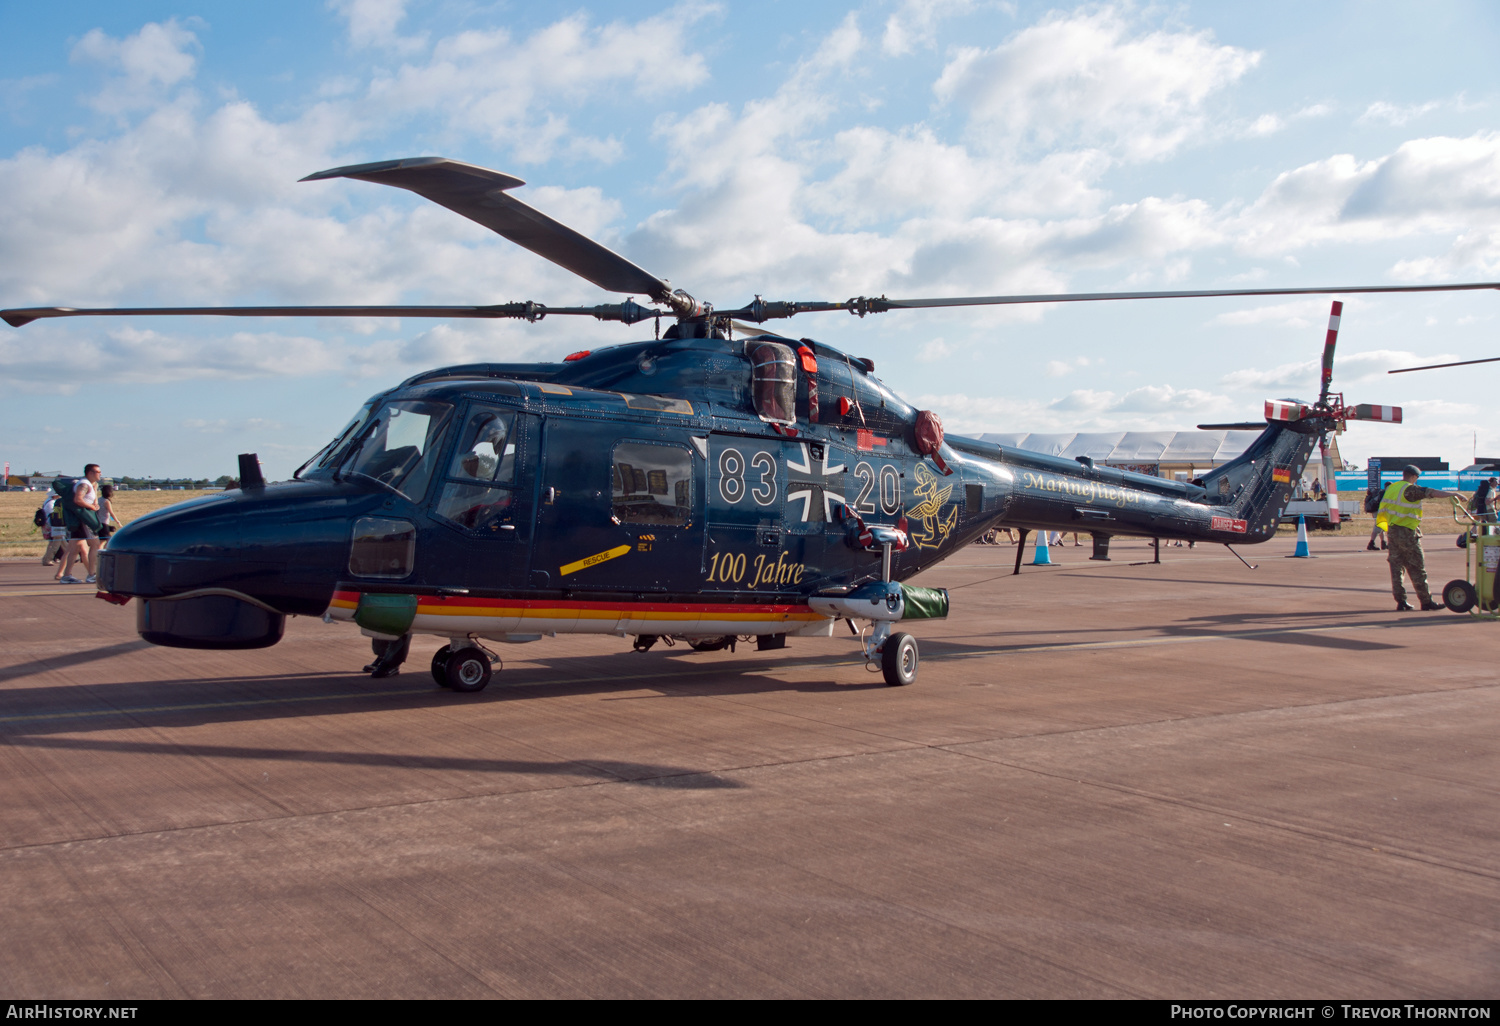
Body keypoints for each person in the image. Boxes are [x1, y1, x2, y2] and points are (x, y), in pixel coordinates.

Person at [1375, 464, 1459, 612]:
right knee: (1417, 567)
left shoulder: (1392, 488)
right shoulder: (1409, 489)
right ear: (1414, 476)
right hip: (1407, 532)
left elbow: (1383, 511)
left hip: (1392, 531)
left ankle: (1401, 601)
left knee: (1396, 567)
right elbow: (1430, 492)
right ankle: (1426, 601)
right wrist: (1452, 494)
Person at [59, 463, 103, 585]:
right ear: (90, 473)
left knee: (75, 548)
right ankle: (91, 574)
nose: (100, 474)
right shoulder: (84, 484)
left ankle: (66, 575)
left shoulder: (89, 484)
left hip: (78, 519)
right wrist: (91, 508)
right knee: (95, 544)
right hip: (83, 519)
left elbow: (90, 499)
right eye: (98, 472)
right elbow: (78, 499)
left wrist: (94, 500)